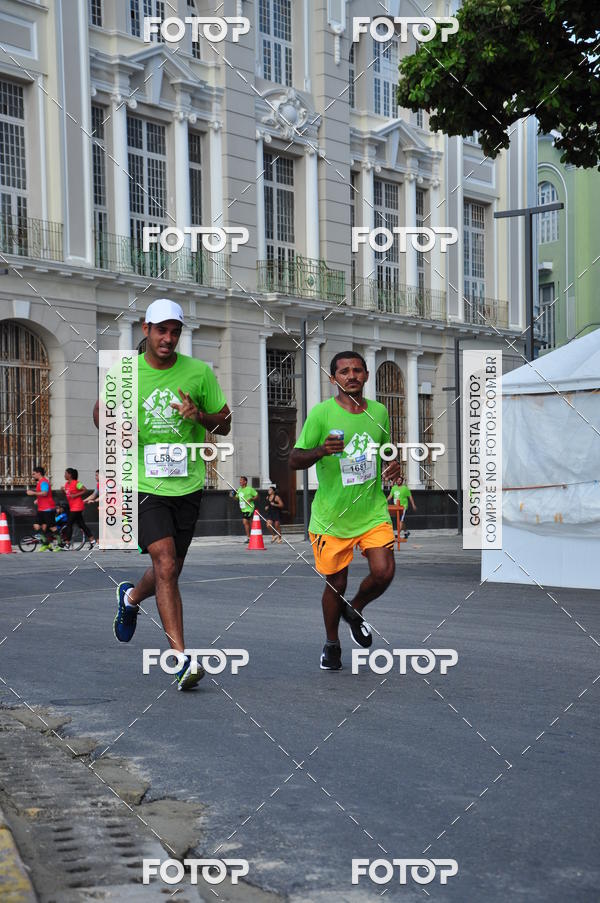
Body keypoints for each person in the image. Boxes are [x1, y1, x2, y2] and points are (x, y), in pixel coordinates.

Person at [93, 298, 231, 691]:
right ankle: (182, 660)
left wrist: (200, 417)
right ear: (146, 330)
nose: (168, 338)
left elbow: (225, 422)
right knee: (166, 563)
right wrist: (118, 423)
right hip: (139, 482)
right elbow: (99, 414)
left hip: (186, 484)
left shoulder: (199, 372)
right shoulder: (124, 371)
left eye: (175, 331)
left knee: (169, 569)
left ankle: (131, 598)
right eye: (161, 330)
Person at [289, 351, 402, 671]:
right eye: (343, 371)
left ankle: (355, 610)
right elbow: (294, 460)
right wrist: (321, 450)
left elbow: (385, 451)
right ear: (333, 379)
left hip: (370, 510)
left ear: (366, 375)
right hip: (331, 516)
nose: (351, 376)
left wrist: (394, 466)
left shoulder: (379, 412)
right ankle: (331, 643)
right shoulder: (322, 414)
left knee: (384, 571)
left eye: (357, 370)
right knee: (335, 584)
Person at [63, 468, 96, 549]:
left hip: (77, 506)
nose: (64, 475)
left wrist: (75, 495)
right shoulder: (66, 484)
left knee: (69, 524)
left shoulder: (76, 483)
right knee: (81, 524)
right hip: (72, 507)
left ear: (69, 475)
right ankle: (92, 541)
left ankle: (67, 544)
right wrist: (63, 490)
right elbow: (68, 494)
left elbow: (84, 489)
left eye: (66, 473)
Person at [26, 465, 56, 551]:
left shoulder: (43, 482)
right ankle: (46, 544)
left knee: (51, 527)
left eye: (34, 474)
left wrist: (33, 493)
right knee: (37, 526)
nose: (33, 475)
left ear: (39, 473)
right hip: (42, 508)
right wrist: (37, 500)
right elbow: (43, 494)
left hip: (48, 508)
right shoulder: (40, 482)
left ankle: (60, 544)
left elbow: (45, 493)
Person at [234, 476, 258, 543]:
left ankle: (248, 538)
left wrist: (251, 499)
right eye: (240, 480)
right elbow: (236, 498)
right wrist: (232, 495)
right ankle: (254, 534)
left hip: (249, 508)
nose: (240, 481)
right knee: (250, 522)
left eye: (241, 480)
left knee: (245, 521)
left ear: (245, 481)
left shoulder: (250, 489)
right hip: (243, 509)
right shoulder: (239, 490)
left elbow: (256, 495)